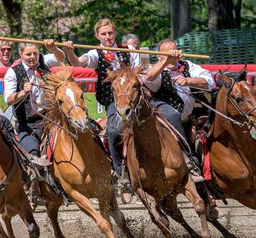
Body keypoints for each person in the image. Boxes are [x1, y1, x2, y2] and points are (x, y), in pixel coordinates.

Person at [65, 19, 203, 184]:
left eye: (110, 33)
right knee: (114, 131)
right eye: (103, 34)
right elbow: (77, 63)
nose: (108, 37)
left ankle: (188, 158)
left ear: (115, 33)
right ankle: (119, 173)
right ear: (97, 35)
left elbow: (143, 72)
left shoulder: (129, 50)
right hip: (114, 100)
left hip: (138, 96)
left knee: (172, 115)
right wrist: (69, 51)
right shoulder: (95, 53)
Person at [3, 40, 65, 161]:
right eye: (28, 54)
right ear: (20, 54)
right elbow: (8, 99)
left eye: (35, 53)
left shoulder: (43, 60)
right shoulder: (13, 72)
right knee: (32, 153)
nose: (33, 57)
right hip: (28, 124)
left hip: (51, 119)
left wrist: (54, 48)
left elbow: (61, 58)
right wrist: (23, 93)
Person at [147, 38, 215, 124]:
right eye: (166, 53)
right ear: (159, 56)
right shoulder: (155, 70)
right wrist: (167, 61)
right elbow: (148, 78)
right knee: (173, 115)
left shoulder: (187, 65)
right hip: (166, 123)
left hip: (189, 117)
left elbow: (209, 81)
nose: (172, 57)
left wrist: (188, 81)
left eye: (174, 52)